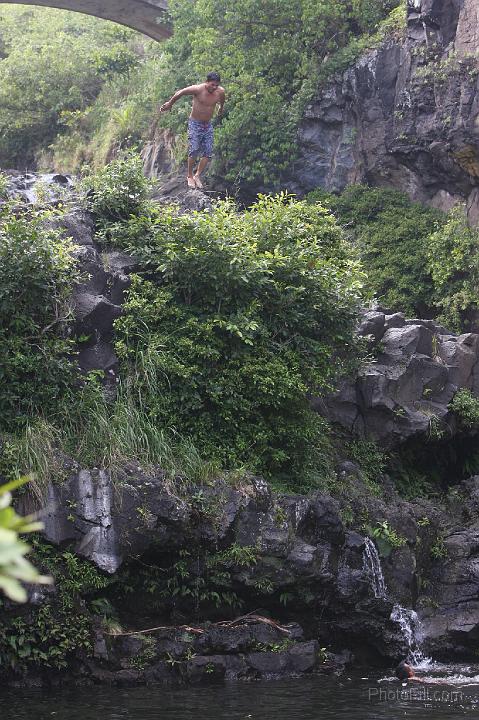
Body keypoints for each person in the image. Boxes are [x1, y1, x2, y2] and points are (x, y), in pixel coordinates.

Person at [159, 71, 225, 189]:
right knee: (194, 149)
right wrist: (170, 104)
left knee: (208, 152)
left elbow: (222, 99)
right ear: (206, 82)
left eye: (216, 85)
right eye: (212, 85)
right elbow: (180, 92)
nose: (214, 87)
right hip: (195, 123)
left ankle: (197, 175)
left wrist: (221, 107)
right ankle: (189, 175)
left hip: (207, 124)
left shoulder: (220, 92)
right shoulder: (197, 89)